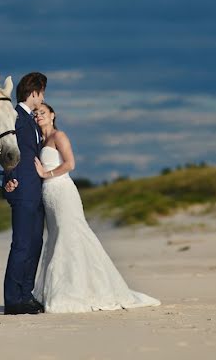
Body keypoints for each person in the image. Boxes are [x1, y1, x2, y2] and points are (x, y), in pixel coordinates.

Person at [30, 102, 161, 313]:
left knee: (70, 236)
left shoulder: (58, 136)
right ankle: (61, 290)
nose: (38, 116)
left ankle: (73, 292)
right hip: (49, 195)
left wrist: (46, 174)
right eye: (36, 114)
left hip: (63, 192)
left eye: (43, 112)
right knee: (56, 238)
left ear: (53, 115)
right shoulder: (39, 139)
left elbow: (70, 164)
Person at [2, 71, 47, 315]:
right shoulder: (15, 116)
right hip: (22, 187)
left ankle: (26, 295)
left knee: (35, 244)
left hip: (37, 189)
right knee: (21, 245)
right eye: (42, 93)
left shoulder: (32, 119)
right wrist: (9, 179)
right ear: (34, 92)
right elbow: (6, 151)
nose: (43, 98)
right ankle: (12, 300)